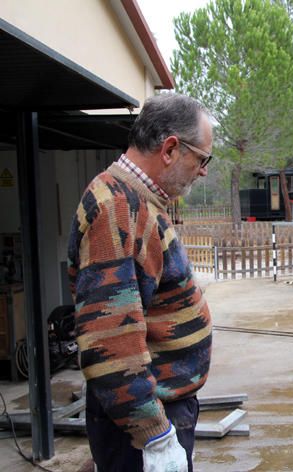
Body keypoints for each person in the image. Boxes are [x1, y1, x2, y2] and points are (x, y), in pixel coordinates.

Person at [68, 93, 214, 472]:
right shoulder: (119, 209)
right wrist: (154, 434)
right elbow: (109, 339)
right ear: (169, 149)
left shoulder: (136, 202)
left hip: (156, 411)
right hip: (147, 423)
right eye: (202, 159)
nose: (203, 172)